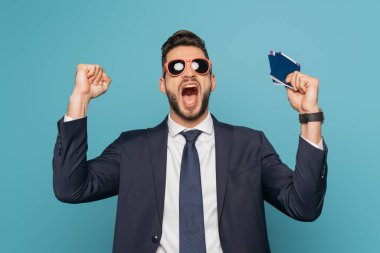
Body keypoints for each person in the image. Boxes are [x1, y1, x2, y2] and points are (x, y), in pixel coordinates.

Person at [53, 30, 328, 253]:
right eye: (175, 68)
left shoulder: (250, 145)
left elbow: (303, 206)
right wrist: (79, 101)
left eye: (199, 66)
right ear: (163, 84)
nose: (188, 73)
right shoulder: (131, 148)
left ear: (212, 80)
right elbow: (70, 188)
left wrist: (309, 115)